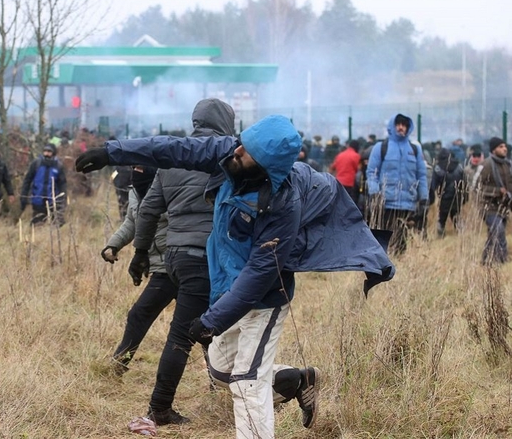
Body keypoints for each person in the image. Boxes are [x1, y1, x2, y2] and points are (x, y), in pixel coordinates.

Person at [75, 114, 395, 438]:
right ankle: (295, 380)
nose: (237, 150)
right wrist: (112, 152)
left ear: (266, 164)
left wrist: (212, 320)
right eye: (241, 142)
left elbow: (259, 273)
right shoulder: (229, 154)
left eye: (248, 150)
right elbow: (173, 149)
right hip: (227, 289)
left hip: (265, 298)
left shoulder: (284, 204)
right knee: (220, 369)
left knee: (246, 381)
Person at [130, 98, 229, 426]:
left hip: (174, 256)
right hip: (206, 257)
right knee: (184, 335)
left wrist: (140, 252)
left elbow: (147, 209)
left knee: (206, 326)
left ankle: (219, 388)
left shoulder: (173, 159)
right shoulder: (225, 157)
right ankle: (159, 408)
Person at [101, 165, 176, 375]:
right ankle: (119, 364)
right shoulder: (135, 189)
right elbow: (132, 222)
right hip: (158, 264)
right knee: (197, 322)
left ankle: (118, 365)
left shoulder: (170, 187)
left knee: (140, 314)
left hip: (175, 263)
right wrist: (113, 245)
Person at [366, 114, 429, 254]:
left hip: (408, 204)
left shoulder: (415, 149)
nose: (401, 127)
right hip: (386, 202)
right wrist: (375, 192)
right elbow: (371, 172)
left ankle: (400, 267)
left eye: (404, 124)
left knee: (402, 240)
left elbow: (422, 175)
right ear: (392, 126)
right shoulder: (381, 147)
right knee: (385, 240)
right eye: (398, 124)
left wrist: (424, 197)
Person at [477, 137, 512, 265]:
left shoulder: (508, 165)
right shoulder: (486, 164)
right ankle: (501, 261)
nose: (504, 149)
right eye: (500, 147)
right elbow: (477, 186)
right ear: (493, 149)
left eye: (505, 146)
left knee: (493, 235)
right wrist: (497, 191)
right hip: (489, 207)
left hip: (503, 207)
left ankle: (486, 261)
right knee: (498, 231)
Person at [19, 143, 67, 226]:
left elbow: (62, 184)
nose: (47, 153)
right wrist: (24, 195)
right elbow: (27, 180)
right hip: (38, 200)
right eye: (45, 151)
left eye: (49, 151)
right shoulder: (36, 164)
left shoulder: (58, 166)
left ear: (53, 153)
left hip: (53, 201)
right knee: (37, 225)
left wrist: (62, 200)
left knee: (56, 226)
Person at [430, 148, 465, 237]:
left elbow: (433, 184)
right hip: (457, 196)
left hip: (444, 197)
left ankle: (441, 235)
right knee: (456, 215)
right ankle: (461, 234)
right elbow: (465, 183)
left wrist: (432, 198)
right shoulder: (459, 166)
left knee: (442, 218)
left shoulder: (438, 168)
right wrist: (465, 197)